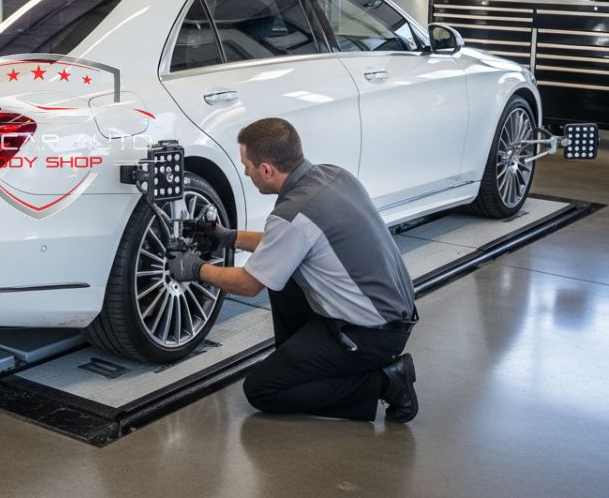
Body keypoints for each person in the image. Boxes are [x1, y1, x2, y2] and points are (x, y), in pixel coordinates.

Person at [168, 117, 420, 423]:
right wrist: (229, 237)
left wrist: (197, 270)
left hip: (370, 336)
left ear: (267, 170)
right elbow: (287, 243)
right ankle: (302, 367)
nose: (246, 173)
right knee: (281, 274)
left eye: (247, 166)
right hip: (390, 314)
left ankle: (387, 381)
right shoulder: (333, 175)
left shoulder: (292, 215)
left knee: (261, 390)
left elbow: (249, 285)